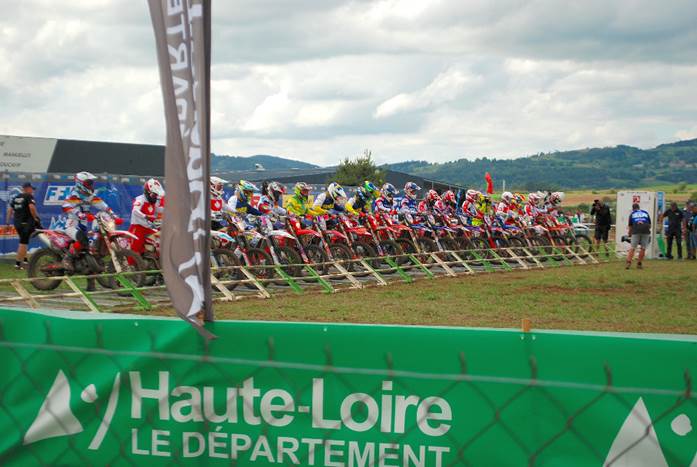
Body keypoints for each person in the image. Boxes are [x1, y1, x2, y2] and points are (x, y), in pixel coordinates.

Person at [61, 172, 119, 272]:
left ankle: (90, 275)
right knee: (83, 239)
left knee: (92, 245)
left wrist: (113, 215)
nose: (90, 185)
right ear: (80, 183)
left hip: (84, 225)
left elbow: (102, 205)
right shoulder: (74, 195)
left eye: (91, 183)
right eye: (88, 183)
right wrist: (80, 214)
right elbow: (66, 206)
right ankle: (67, 259)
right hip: (72, 224)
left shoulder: (90, 196)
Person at [6, 182, 41, 269]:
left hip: (17, 223)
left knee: (24, 242)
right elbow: (32, 208)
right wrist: (36, 218)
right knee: (23, 243)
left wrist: (7, 222)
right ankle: (18, 264)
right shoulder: (28, 196)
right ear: (27, 188)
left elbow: (9, 210)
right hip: (26, 223)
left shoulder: (16, 197)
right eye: (32, 189)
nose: (33, 191)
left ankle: (25, 261)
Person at [128, 179, 165, 256]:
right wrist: (146, 216)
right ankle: (132, 263)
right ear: (147, 192)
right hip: (137, 228)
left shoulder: (153, 202)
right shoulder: (140, 199)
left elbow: (157, 209)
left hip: (148, 229)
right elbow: (135, 211)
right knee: (134, 250)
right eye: (154, 195)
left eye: (156, 196)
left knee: (159, 243)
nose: (155, 197)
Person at [626, 203, 651, 269]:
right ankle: (639, 264)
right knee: (643, 248)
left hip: (636, 230)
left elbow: (630, 226)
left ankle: (628, 262)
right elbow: (649, 225)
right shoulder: (645, 212)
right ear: (639, 207)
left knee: (632, 247)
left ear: (633, 209)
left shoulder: (632, 214)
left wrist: (629, 234)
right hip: (646, 230)